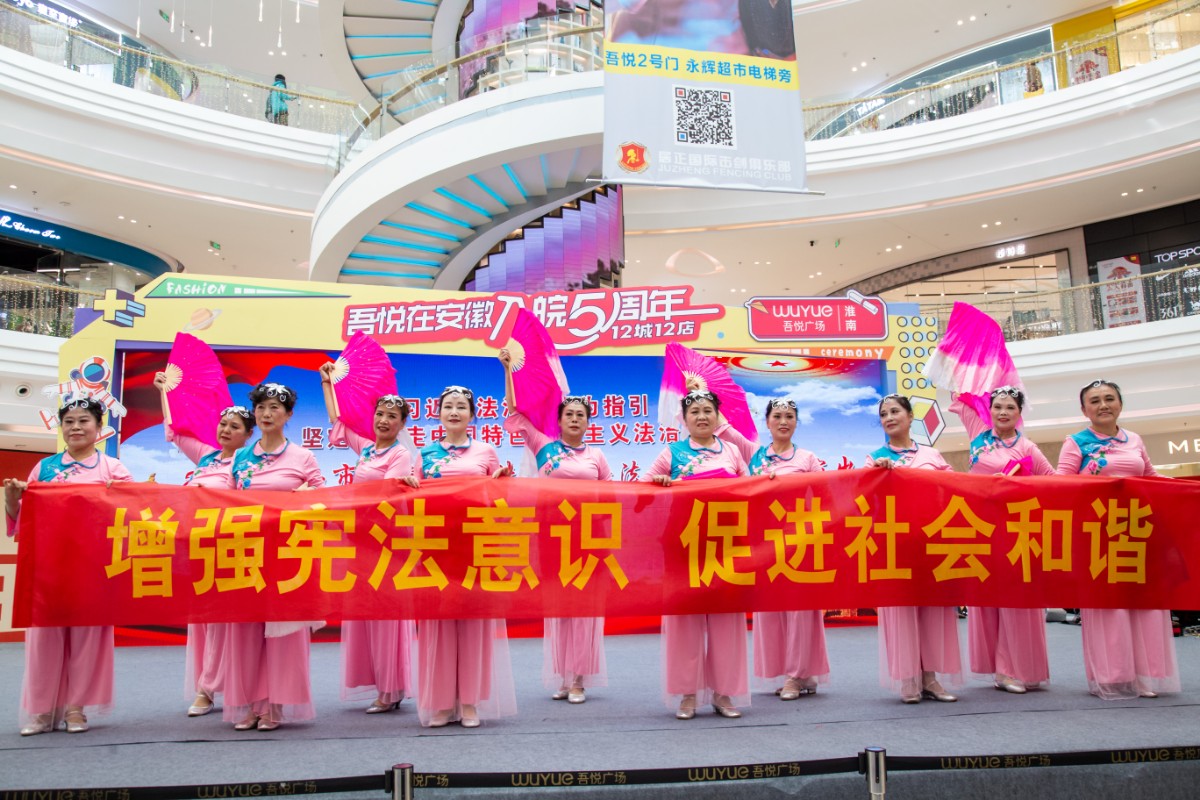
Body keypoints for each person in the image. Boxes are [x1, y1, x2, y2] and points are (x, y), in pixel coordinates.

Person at [5, 396, 134, 736]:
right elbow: (23, 520)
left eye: (83, 421)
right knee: (43, 639)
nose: (76, 427)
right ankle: (42, 710)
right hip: (48, 565)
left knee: (87, 638)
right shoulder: (44, 468)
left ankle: (77, 708)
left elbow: (131, 515)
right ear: (61, 427)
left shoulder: (113, 469)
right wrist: (12, 500)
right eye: (69, 421)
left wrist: (116, 496)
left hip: (93, 565)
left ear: (99, 427)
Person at [499, 349, 611, 705]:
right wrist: (508, 370)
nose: (575, 419)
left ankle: (579, 678)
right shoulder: (543, 445)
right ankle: (564, 675)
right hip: (553, 538)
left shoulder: (596, 456)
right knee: (559, 607)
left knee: (584, 609)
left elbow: (612, 497)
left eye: (581, 415)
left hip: (587, 539)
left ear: (588, 423)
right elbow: (516, 412)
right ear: (559, 420)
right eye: (569, 414)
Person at [1056, 379, 1180, 700]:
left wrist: (1183, 487)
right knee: (1110, 606)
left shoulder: (1134, 439)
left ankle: (1144, 674)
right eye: (1095, 400)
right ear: (1084, 410)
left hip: (1137, 531)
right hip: (1099, 533)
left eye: (1109, 398)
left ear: (1120, 404)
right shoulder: (1076, 443)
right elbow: (1060, 486)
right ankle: (1114, 675)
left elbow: (1150, 477)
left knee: (1143, 602)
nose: (1103, 405)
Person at [224, 382, 325, 731]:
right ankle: (249, 703)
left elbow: (322, 497)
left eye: (274, 408)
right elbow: (225, 501)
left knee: (283, 632)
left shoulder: (302, 457)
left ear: (289, 415)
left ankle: (274, 705)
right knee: (246, 632)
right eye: (261, 408)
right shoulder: (240, 457)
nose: (266, 414)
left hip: (285, 553)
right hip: (246, 552)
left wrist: (302, 498)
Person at [318, 364, 419, 714]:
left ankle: (392, 688)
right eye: (379, 414)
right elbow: (339, 421)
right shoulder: (366, 449)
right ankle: (378, 681)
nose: (383, 421)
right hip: (361, 540)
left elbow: (385, 495)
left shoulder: (400, 455)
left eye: (392, 416)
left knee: (387, 613)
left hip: (386, 542)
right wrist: (327, 383)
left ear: (402, 424)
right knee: (366, 612)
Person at [154, 373, 256, 717]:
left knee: (228, 622)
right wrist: (165, 392)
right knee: (203, 622)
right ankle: (207, 686)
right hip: (201, 548)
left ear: (249, 434)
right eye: (223, 424)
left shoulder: (249, 463)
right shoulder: (207, 457)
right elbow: (176, 430)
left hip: (233, 547)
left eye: (235, 427)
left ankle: (213, 687)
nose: (226, 430)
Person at [644, 390, 750, 720]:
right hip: (684, 548)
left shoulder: (732, 451)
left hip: (725, 546)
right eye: (695, 412)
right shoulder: (672, 452)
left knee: (726, 623)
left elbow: (752, 492)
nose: (702, 416)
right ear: (685, 419)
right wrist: (659, 482)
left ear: (717, 416)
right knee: (685, 623)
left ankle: (724, 692)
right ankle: (687, 694)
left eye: (708, 411)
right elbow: (641, 492)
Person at [414, 385, 515, 728]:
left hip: (474, 543)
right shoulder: (425, 454)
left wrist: (502, 482)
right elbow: (410, 499)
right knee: (439, 624)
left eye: (461, 407)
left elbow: (500, 498)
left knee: (473, 623)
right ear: (438, 414)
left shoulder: (486, 451)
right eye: (448, 406)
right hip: (437, 545)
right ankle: (442, 703)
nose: (454, 412)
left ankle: (470, 702)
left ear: (472, 415)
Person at [715, 396, 829, 701]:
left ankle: (798, 674)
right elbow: (723, 428)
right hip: (765, 543)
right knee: (773, 608)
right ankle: (793, 672)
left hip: (799, 541)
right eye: (777, 416)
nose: (783, 421)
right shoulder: (753, 454)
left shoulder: (807, 459)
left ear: (796, 423)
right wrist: (702, 391)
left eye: (789, 416)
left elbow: (825, 495)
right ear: (766, 422)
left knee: (801, 610)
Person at [951, 386, 1054, 695]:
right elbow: (958, 391)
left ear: (1019, 413)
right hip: (982, 528)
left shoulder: (1028, 448)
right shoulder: (978, 435)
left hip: (1016, 529)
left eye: (1010, 407)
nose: (1003, 412)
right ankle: (999, 668)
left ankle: (1016, 668)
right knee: (990, 598)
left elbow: (1054, 482)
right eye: (997, 406)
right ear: (990, 410)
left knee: (1016, 600)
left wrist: (1020, 486)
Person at [865, 393, 962, 704]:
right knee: (902, 611)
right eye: (884, 414)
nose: (889, 418)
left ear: (909, 417)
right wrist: (876, 475)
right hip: (895, 545)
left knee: (932, 610)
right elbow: (864, 500)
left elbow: (957, 489)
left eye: (895, 411)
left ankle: (930, 678)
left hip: (930, 541)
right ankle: (908, 678)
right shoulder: (874, 459)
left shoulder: (932, 455)